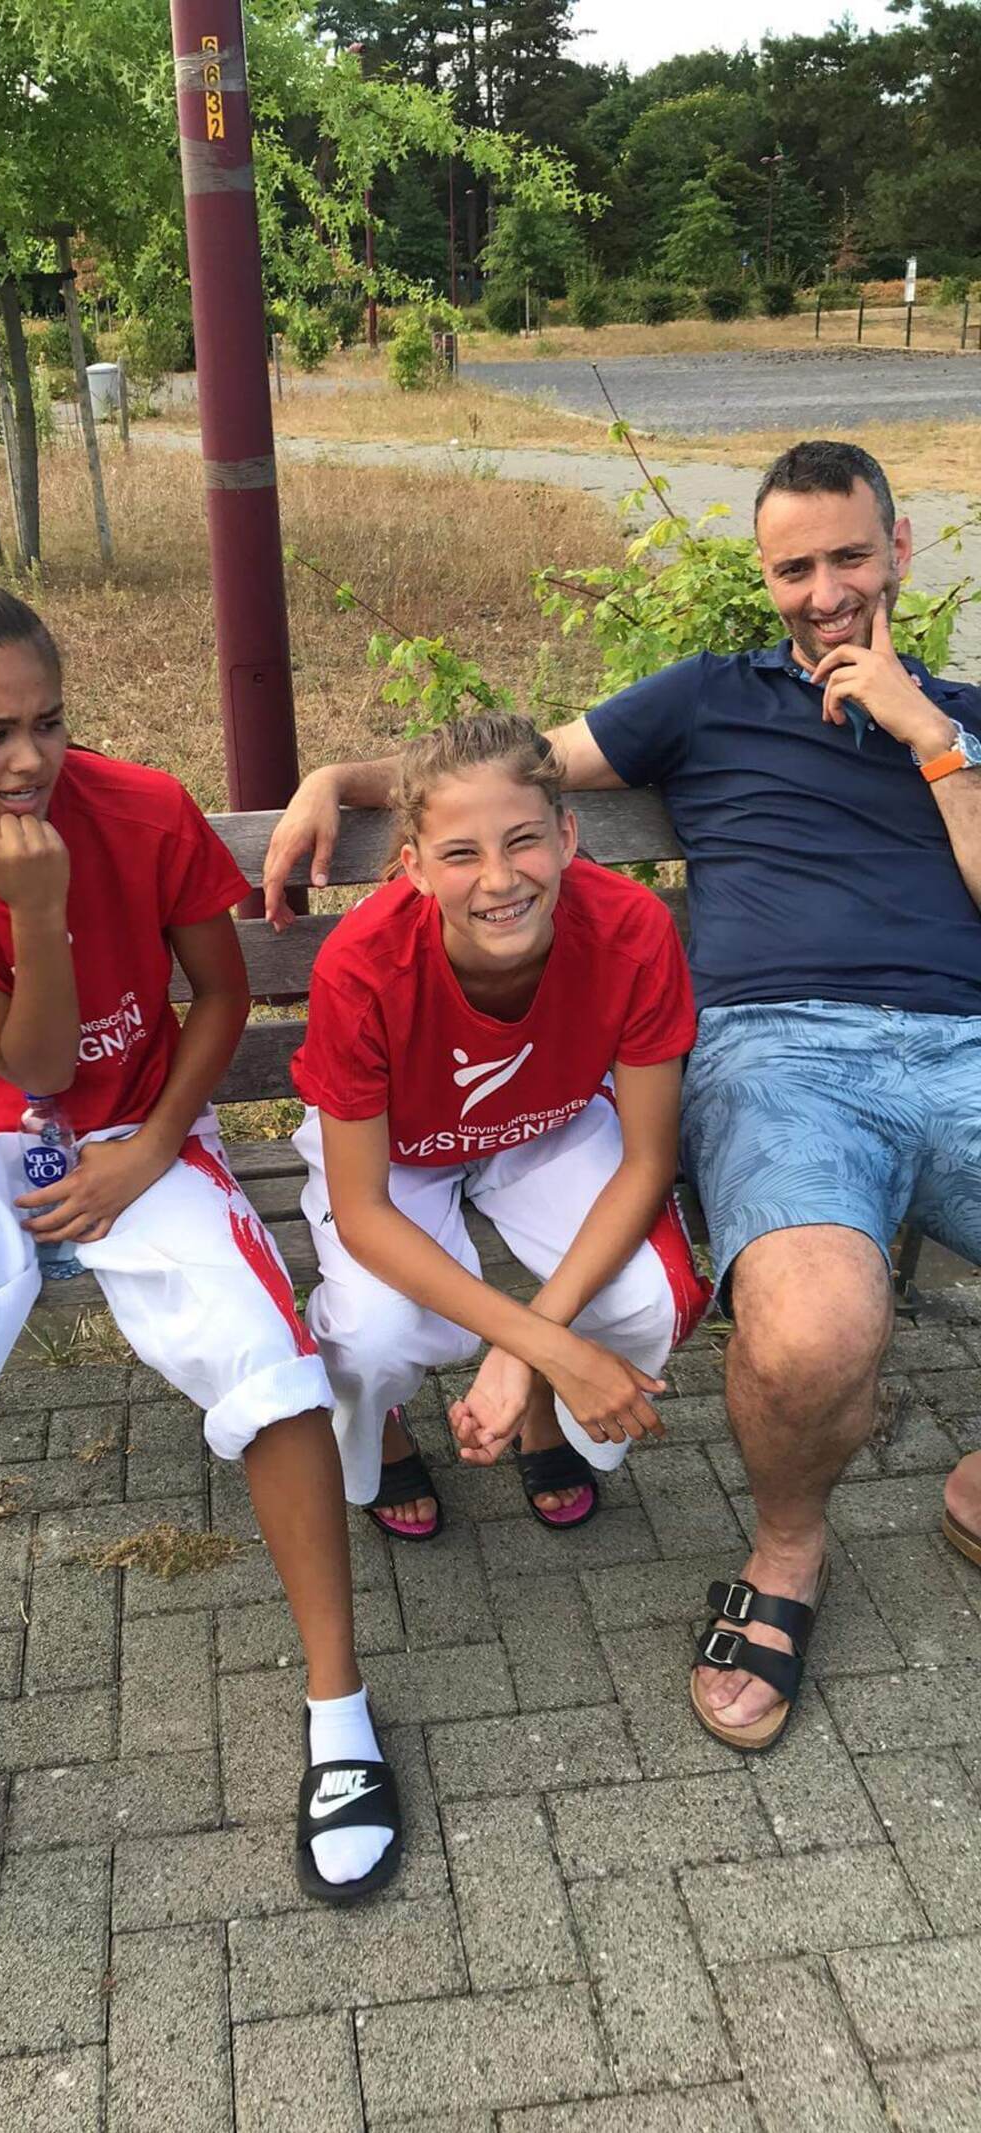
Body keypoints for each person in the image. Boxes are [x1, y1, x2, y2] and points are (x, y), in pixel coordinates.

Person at [263, 439, 981, 1751]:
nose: (825, 592)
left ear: (900, 550)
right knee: (812, 1328)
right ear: (765, 576)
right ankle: (783, 1552)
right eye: (795, 567)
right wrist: (339, 782)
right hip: (785, 1058)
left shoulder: (971, 722)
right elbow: (511, 777)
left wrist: (933, 738)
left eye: (848, 557)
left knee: (641, 1294)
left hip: (963, 1044)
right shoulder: (709, 698)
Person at [0, 561, 401, 1957]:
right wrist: (34, 910)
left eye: (49, 723)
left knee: (269, 1364)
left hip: (143, 1128)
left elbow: (221, 994)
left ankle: (340, 1716)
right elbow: (25, 1064)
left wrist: (149, 1152)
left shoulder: (137, 808)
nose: (31, 760)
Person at [288, 710, 711, 1540]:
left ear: (566, 835)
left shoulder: (631, 928)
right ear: (413, 867)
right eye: (460, 854)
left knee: (652, 1299)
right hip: (401, 1147)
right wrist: (549, 1339)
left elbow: (648, 1161)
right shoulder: (362, 965)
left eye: (523, 841)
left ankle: (544, 1406)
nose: (500, 879)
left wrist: (526, 1351)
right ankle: (381, 1427)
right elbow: (364, 1210)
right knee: (375, 1334)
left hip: (546, 1123)